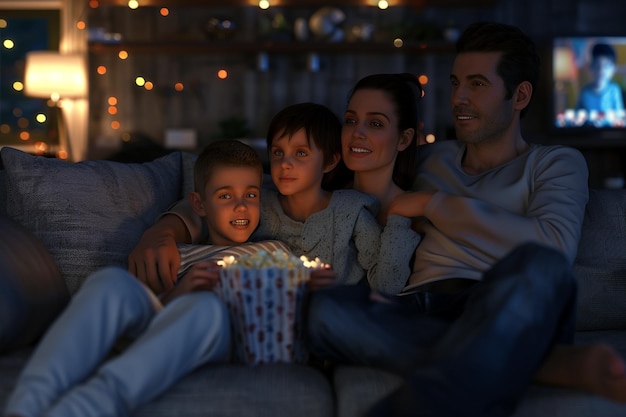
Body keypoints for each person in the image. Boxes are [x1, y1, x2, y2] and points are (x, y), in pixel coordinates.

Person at [306, 22, 626, 417]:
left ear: (519, 95)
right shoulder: (430, 157)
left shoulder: (555, 163)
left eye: (476, 84)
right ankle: (549, 366)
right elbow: (361, 193)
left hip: (501, 303)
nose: (458, 97)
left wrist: (432, 204)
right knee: (322, 312)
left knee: (538, 264)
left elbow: (554, 247)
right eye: (456, 82)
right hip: (417, 307)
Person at [2, 139, 281, 417]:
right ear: (198, 204)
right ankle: (24, 406)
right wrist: (178, 292)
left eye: (251, 195)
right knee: (111, 281)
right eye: (225, 196)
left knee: (205, 307)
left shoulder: (272, 252)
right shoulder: (175, 254)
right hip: (159, 325)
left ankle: (82, 410)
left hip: (217, 334)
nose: (242, 206)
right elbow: (149, 307)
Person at [251, 102, 418, 293]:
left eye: (301, 153)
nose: (285, 163)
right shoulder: (259, 207)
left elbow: (386, 285)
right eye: (278, 152)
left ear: (329, 161)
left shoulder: (350, 212)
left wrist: (398, 221)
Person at [576, 42, 624, 126]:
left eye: (606, 66)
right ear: (591, 67)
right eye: (597, 65)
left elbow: (619, 117)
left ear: (613, 69)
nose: (601, 71)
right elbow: (577, 118)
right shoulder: (584, 92)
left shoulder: (614, 90)